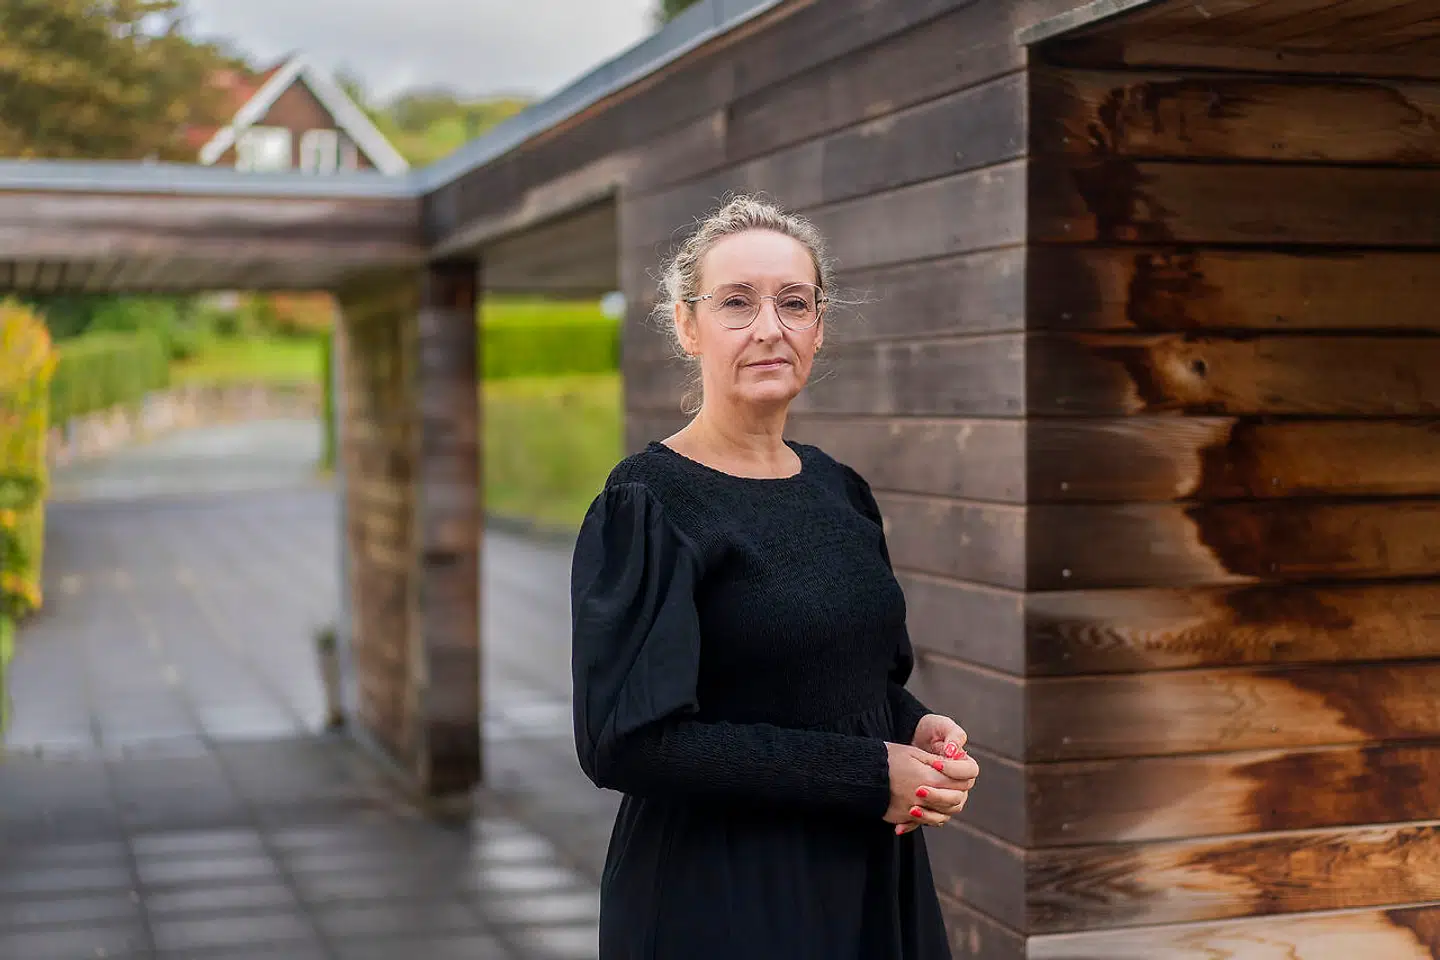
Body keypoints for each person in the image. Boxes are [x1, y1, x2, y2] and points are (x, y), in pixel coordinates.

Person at [569, 195, 979, 959]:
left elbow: (851, 678)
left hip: (866, 877)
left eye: (794, 302)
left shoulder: (838, 489)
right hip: (723, 894)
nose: (769, 328)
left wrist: (913, 725)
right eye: (736, 302)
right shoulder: (649, 503)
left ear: (819, 327)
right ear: (687, 326)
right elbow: (626, 744)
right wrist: (868, 773)